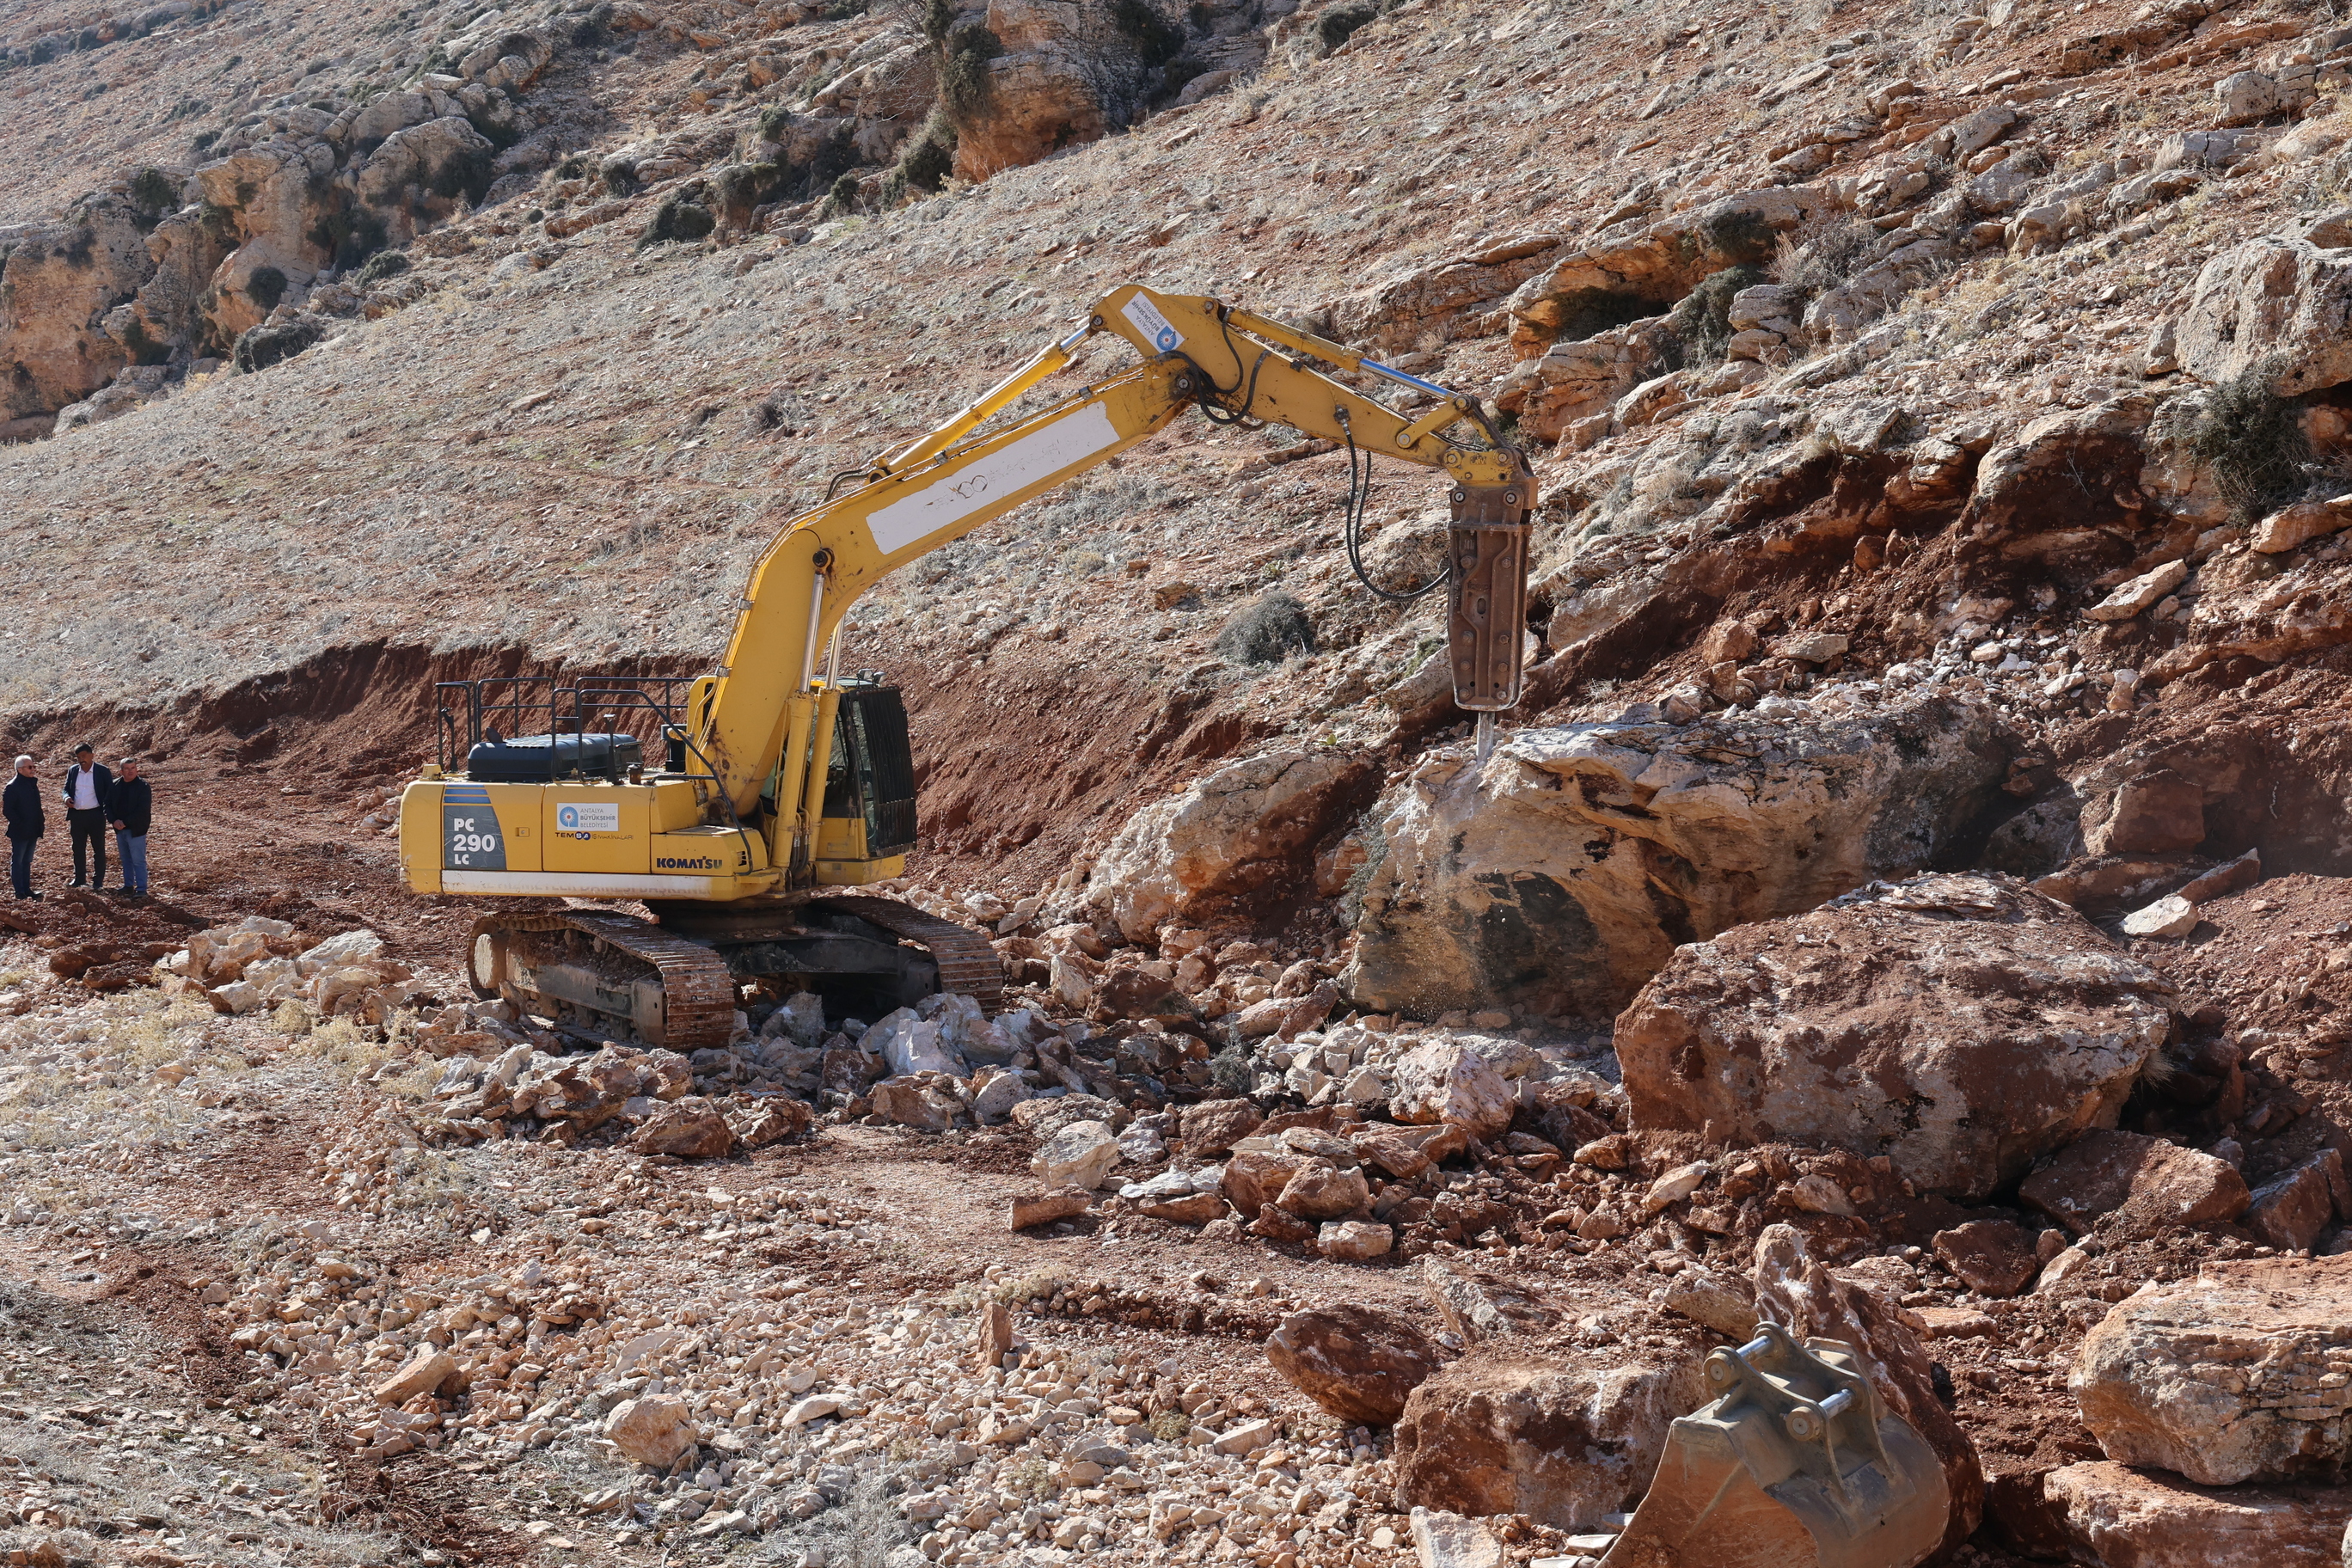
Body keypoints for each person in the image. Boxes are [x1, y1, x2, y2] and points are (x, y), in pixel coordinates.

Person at [60, 743, 112, 891]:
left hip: (96, 814)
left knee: (98, 849)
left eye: (84, 756)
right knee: (78, 848)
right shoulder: (73, 771)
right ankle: (79, 879)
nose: (81, 760)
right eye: (78, 757)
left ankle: (98, 882)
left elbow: (110, 792)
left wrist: (108, 811)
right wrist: (66, 798)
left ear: (92, 755)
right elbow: (66, 788)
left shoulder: (102, 771)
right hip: (77, 815)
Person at [107, 756, 152, 898]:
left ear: (137, 769)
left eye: (133, 768)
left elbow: (142, 810)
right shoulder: (115, 785)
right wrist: (113, 820)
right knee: (125, 859)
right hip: (120, 829)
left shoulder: (143, 787)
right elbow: (107, 805)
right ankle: (128, 886)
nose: (130, 771)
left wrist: (125, 822)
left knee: (138, 860)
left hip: (136, 830)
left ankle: (141, 889)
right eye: (127, 769)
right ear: (121, 771)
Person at [3, 756, 40, 901]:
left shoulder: (32, 784)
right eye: (29, 767)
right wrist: (21, 824)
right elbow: (8, 810)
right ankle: (19, 891)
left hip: (32, 829)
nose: (33, 769)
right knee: (18, 861)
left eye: (33, 766)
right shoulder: (12, 787)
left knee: (27, 861)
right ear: (20, 769)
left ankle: (26, 889)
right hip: (20, 831)